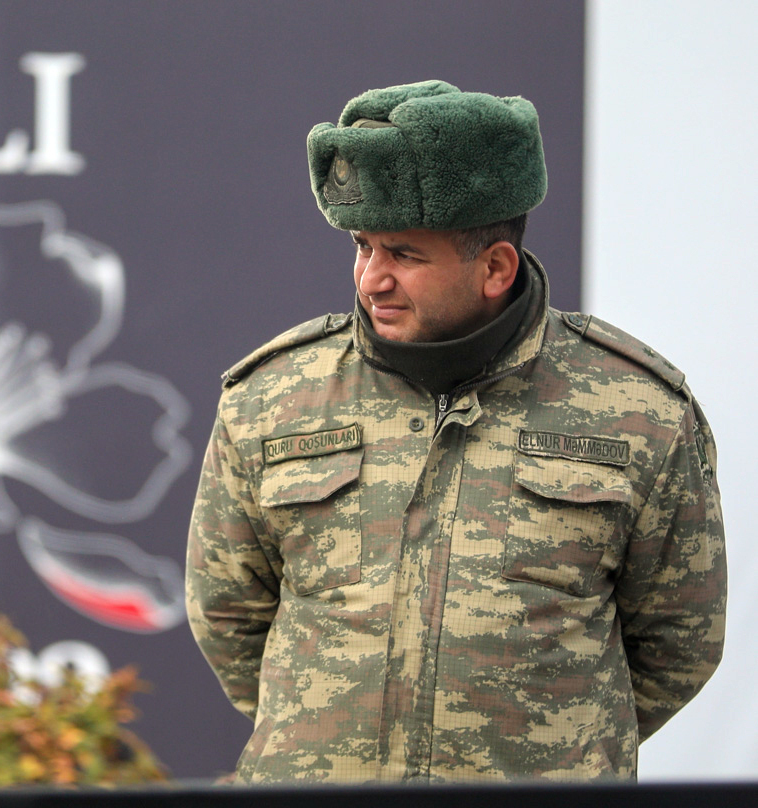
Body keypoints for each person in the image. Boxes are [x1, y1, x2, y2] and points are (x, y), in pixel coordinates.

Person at [186, 80, 725, 783]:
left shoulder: (638, 409)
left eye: (404, 255)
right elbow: (228, 615)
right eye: (362, 246)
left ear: (495, 267)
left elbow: (680, 641)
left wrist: (545, 756)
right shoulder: (272, 397)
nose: (370, 280)